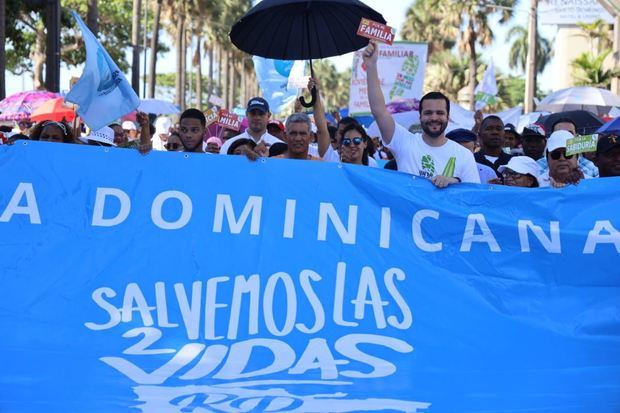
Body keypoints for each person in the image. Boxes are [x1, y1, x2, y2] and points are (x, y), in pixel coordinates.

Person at [363, 40, 479, 187]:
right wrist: (371, 65)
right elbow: (379, 111)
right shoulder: (405, 143)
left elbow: (473, 196)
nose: (434, 118)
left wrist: (455, 181)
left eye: (440, 113)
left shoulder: (464, 156)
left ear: (448, 117)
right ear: (420, 117)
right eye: (428, 113)